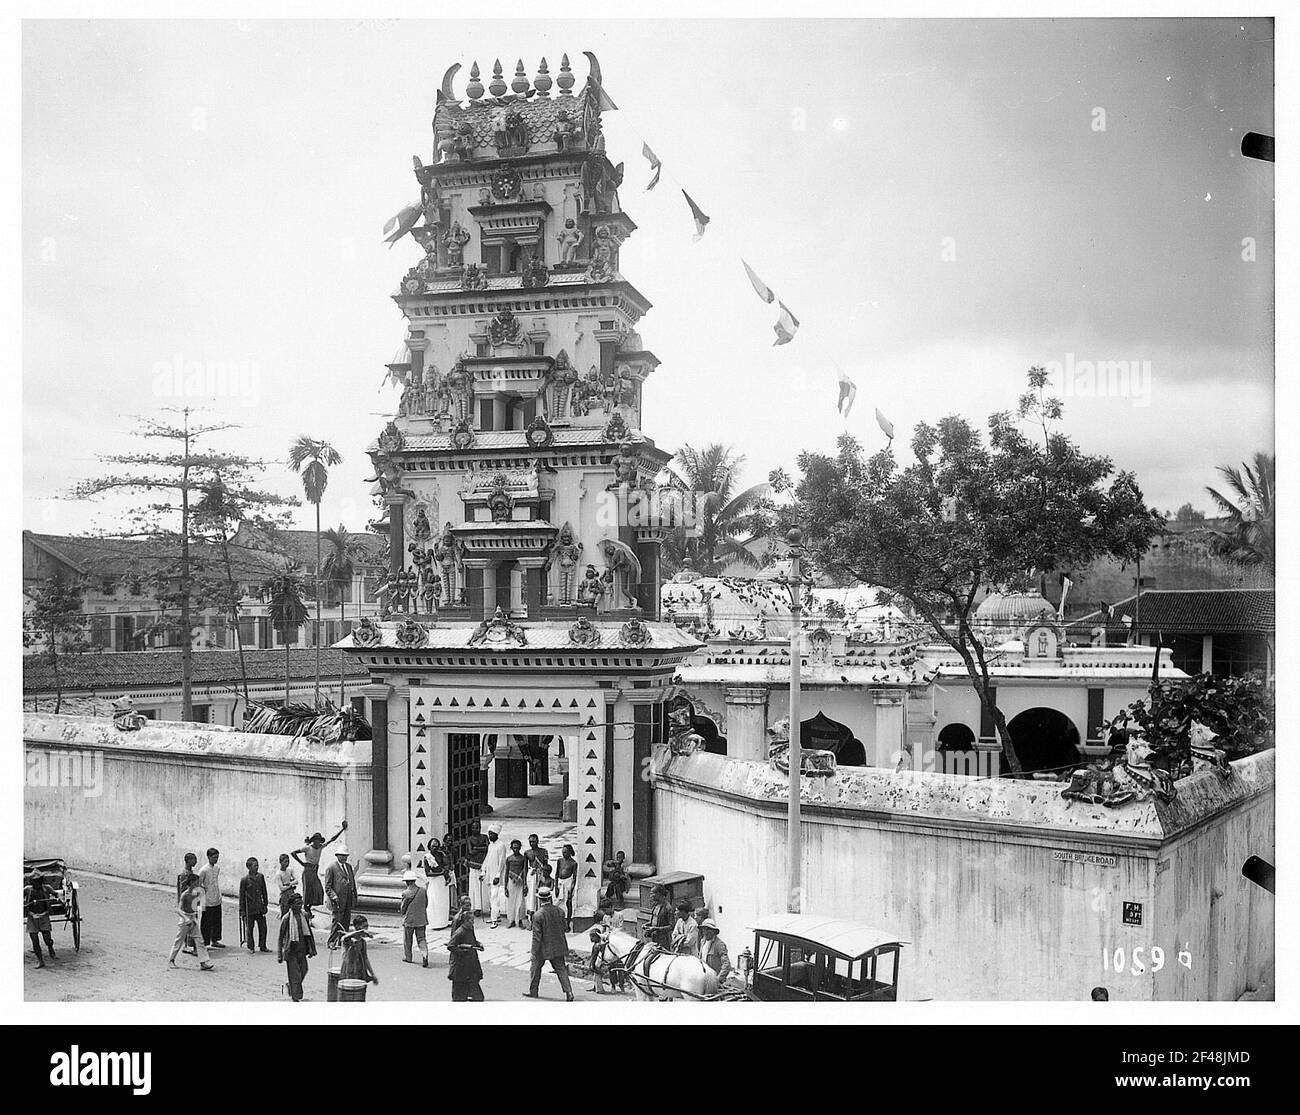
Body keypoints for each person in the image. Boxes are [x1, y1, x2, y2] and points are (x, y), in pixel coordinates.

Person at [525, 887, 574, 1001]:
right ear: (550, 898)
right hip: (558, 945)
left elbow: (536, 937)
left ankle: (533, 991)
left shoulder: (538, 915)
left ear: (539, 899)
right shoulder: (560, 911)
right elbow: (564, 928)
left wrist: (533, 952)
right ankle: (569, 992)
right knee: (561, 969)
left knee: (535, 968)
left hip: (543, 948)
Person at [292, 821, 346, 922]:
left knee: (318, 890)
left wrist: (342, 830)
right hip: (308, 869)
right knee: (307, 890)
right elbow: (293, 853)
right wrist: (302, 863)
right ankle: (306, 909)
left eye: (318, 840)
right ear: (313, 841)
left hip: (315, 870)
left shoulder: (320, 847)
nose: (317, 842)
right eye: (316, 840)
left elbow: (332, 839)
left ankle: (309, 907)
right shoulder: (307, 848)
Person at [169, 873, 214, 971]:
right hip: (185, 918)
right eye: (197, 882)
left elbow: (200, 906)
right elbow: (178, 910)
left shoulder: (198, 892)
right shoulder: (185, 895)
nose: (198, 884)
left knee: (199, 940)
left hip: (192, 917)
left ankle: (203, 963)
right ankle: (171, 960)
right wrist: (186, 918)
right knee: (179, 940)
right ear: (192, 883)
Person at [277, 892, 316, 1002]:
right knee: (295, 976)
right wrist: (280, 954)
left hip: (302, 950)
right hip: (291, 950)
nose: (300, 906)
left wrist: (311, 949)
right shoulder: (286, 918)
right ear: (291, 905)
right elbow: (280, 937)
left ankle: (291, 986)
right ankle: (296, 997)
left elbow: (308, 934)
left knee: (304, 970)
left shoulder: (304, 916)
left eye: (301, 904)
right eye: (297, 904)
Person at [447, 896, 485, 1001]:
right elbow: (453, 941)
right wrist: (461, 951)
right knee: (460, 980)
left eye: (470, 905)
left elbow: (471, 936)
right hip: (460, 955)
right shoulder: (458, 920)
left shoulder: (469, 918)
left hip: (470, 954)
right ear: (461, 905)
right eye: (466, 905)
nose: (469, 907)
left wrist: (477, 944)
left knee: (472, 977)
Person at [322, 844, 357, 949]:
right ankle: (331, 941)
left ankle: (343, 941)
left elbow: (352, 882)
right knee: (337, 922)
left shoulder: (349, 867)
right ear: (337, 855)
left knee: (346, 921)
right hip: (337, 900)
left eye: (346, 855)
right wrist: (333, 896)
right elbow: (328, 887)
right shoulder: (331, 868)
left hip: (347, 899)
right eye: (342, 855)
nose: (344, 858)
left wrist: (354, 895)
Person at [24, 869, 55, 969]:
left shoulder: (47, 888)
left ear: (41, 881)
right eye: (34, 881)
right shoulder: (27, 889)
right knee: (34, 940)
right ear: (31, 881)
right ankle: (40, 961)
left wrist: (60, 898)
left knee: (47, 939)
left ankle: (50, 947)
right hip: (32, 917)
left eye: (38, 881)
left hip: (44, 916)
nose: (35, 883)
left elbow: (56, 894)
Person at [239, 857, 270, 953]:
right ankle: (251, 947)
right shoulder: (244, 880)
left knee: (263, 928)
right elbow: (241, 896)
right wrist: (242, 910)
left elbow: (264, 891)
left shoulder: (261, 877)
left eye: (257, 865)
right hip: (249, 908)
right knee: (249, 929)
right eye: (254, 865)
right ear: (249, 867)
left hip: (259, 907)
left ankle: (263, 945)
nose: (257, 867)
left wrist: (265, 904)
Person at [422, 838, 453, 930]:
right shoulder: (427, 857)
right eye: (433, 846)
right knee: (434, 902)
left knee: (443, 902)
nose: (435, 848)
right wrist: (441, 873)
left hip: (442, 881)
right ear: (429, 847)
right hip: (434, 882)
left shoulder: (441, 855)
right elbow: (428, 873)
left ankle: (443, 922)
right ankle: (434, 923)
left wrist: (447, 876)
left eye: (437, 846)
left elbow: (446, 866)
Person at [338, 915, 379, 987]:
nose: (367, 929)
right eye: (364, 926)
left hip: (359, 971)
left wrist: (372, 974)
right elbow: (344, 938)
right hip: (348, 972)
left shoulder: (363, 942)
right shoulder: (348, 940)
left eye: (367, 926)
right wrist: (360, 931)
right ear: (357, 926)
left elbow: (365, 959)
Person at [399, 870, 429, 968]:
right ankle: (424, 955)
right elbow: (426, 904)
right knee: (421, 939)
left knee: (408, 940)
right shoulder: (423, 890)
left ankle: (408, 957)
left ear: (407, 882)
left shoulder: (406, 893)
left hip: (409, 920)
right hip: (421, 918)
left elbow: (403, 908)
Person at [198, 847, 226, 949]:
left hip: (216, 898)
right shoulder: (203, 870)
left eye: (217, 857)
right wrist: (202, 901)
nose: (216, 859)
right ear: (209, 857)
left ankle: (215, 940)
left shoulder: (217, 868)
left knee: (216, 921)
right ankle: (205, 942)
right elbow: (199, 885)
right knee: (206, 922)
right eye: (214, 857)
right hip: (207, 899)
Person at [481, 824, 508, 928]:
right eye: (489, 834)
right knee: (490, 896)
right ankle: (496, 915)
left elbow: (502, 862)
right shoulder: (490, 845)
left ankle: (494, 920)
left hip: (496, 876)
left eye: (492, 834)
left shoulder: (501, 845)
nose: (490, 836)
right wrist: (483, 871)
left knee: (494, 897)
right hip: (489, 874)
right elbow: (487, 859)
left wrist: (497, 876)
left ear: (497, 834)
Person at [176, 852, 199, 955]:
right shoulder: (185, 875)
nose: (195, 862)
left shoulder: (189, 872)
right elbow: (183, 891)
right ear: (188, 861)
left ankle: (189, 945)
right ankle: (191, 947)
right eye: (193, 860)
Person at [503, 839, 529, 929]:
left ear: (520, 848)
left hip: (520, 882)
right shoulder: (509, 859)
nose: (516, 849)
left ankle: (520, 920)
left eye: (517, 847)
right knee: (511, 901)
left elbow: (525, 871)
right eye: (514, 847)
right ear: (511, 848)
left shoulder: (523, 858)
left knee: (520, 901)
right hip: (511, 882)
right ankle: (512, 920)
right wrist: (505, 887)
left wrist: (525, 884)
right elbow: (506, 873)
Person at [465, 820, 489, 913]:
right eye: (474, 827)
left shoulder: (485, 837)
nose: (476, 829)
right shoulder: (470, 839)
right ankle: (477, 907)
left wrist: (477, 848)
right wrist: (482, 849)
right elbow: (470, 852)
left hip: (484, 864)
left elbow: (488, 848)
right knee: (475, 887)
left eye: (477, 827)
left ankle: (486, 906)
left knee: (484, 886)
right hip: (474, 865)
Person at [554, 845, 578, 930]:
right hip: (560, 883)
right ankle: (558, 922)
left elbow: (574, 878)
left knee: (568, 903)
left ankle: (567, 923)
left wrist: (571, 890)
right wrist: (556, 886)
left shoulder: (573, 863)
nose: (563, 853)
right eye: (562, 852)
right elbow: (556, 874)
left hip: (568, 883)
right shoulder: (560, 861)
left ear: (570, 852)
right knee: (558, 903)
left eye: (565, 852)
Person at [522, 834, 544, 928]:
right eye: (530, 841)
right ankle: (531, 920)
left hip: (540, 875)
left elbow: (546, 866)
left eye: (534, 841)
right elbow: (525, 868)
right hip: (531, 877)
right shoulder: (527, 853)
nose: (532, 843)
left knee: (540, 897)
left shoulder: (543, 852)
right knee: (531, 898)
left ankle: (541, 921)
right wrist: (524, 884)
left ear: (538, 841)